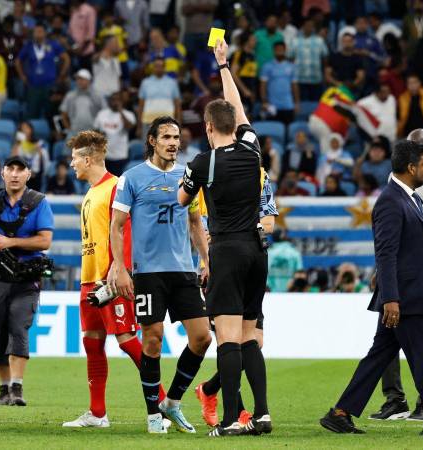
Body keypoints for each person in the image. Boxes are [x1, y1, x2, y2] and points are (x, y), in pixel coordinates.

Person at [179, 38, 271, 437]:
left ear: (208, 127)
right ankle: (262, 415)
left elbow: (182, 200)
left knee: (229, 339)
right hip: (257, 250)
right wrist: (224, 66)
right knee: (251, 336)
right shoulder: (253, 150)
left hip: (227, 250)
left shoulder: (203, 162)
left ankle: (233, 419)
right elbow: (239, 109)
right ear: (235, 124)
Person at [320, 140, 423, 436]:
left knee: (379, 356)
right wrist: (391, 299)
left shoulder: (411, 198)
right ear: (410, 168)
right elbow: (386, 252)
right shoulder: (391, 202)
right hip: (406, 299)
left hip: (408, 294)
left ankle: (340, 413)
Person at [109, 116, 211, 434]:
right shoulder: (132, 178)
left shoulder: (188, 176)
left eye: (176, 137)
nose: (173, 143)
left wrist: (207, 261)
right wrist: (120, 268)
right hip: (149, 274)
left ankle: (173, 403)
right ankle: (154, 415)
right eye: (166, 137)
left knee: (202, 338)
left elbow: (196, 223)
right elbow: (116, 226)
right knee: (152, 342)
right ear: (152, 141)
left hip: (183, 271)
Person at [63, 130, 165, 428]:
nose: (72, 165)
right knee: (92, 343)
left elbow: (127, 230)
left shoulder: (115, 186)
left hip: (111, 277)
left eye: (74, 160)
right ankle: (97, 414)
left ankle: (162, 404)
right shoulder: (91, 191)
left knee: (127, 341)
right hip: (89, 279)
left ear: (88, 159)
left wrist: (118, 271)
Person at [194, 169, 278, 427]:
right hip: (215, 264)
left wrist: (237, 230)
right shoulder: (206, 174)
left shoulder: (259, 175)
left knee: (254, 341)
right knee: (230, 338)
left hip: (248, 261)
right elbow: (197, 223)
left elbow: (270, 223)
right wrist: (205, 261)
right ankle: (239, 411)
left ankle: (209, 389)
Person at [0, 155, 54, 406]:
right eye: (10, 169)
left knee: (18, 324)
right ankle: (4, 389)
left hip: (26, 277)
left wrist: (9, 242)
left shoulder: (39, 202)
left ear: (28, 174)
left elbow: (45, 240)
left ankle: (17, 387)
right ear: (2, 173)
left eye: (20, 170)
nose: (14, 174)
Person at [137, 58, 182, 139]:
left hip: (168, 123)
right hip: (148, 122)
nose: (159, 68)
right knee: (149, 149)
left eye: (161, 66)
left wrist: (178, 123)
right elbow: (141, 106)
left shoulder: (172, 83)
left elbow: (177, 105)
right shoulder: (145, 83)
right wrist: (139, 127)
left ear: (164, 68)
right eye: (156, 66)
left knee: (166, 149)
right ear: (153, 68)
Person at [93, 92, 136, 176]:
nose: (115, 102)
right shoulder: (102, 114)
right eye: (113, 100)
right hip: (104, 157)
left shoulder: (128, 114)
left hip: (120, 156)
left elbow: (129, 127)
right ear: (109, 101)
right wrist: (100, 135)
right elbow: (95, 132)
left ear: (122, 102)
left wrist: (120, 111)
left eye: (118, 100)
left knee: (118, 184)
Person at [259, 41, 299, 125]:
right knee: (273, 130)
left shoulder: (291, 66)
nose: (279, 51)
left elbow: (294, 86)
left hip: (288, 105)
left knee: (288, 131)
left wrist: (296, 103)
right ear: (274, 51)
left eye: (281, 49)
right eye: (277, 49)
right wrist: (264, 102)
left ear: (285, 50)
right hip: (272, 106)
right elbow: (263, 86)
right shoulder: (267, 66)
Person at [59, 69, 104, 140]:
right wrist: (69, 129)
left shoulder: (98, 96)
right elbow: (63, 113)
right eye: (77, 79)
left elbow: (104, 113)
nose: (79, 81)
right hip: (74, 131)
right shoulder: (70, 96)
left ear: (88, 80)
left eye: (82, 79)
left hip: (93, 131)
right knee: (68, 151)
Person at [10, 121, 50, 192]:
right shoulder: (18, 146)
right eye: (22, 130)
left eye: (26, 128)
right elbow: (12, 161)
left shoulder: (39, 143)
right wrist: (17, 144)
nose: (24, 131)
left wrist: (37, 150)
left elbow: (44, 161)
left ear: (31, 130)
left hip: (36, 177)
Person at [397, 73, 423, 138]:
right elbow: (401, 117)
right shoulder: (403, 98)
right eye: (410, 83)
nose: (413, 85)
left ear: (420, 83)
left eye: (415, 82)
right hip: (409, 132)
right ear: (406, 85)